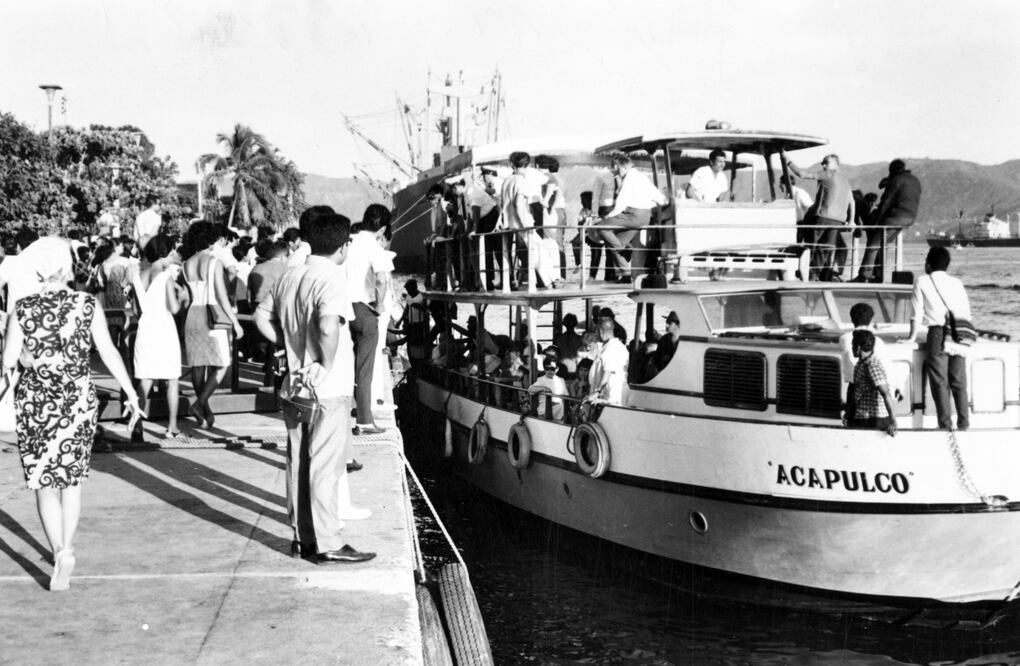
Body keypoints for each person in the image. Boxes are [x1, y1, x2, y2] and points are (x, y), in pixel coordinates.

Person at [2, 237, 143, 590]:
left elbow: (8, 361)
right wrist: (130, 392)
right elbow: (108, 352)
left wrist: (22, 358)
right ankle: (68, 544)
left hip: (36, 403)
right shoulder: (86, 304)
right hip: (78, 401)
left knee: (43, 482)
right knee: (72, 481)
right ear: (67, 267)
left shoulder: (23, 307)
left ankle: (60, 551)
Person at [254, 213, 375, 564]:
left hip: (293, 384)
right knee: (325, 465)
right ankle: (328, 542)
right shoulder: (332, 278)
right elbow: (327, 326)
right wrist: (323, 363)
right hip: (327, 387)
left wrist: (286, 347)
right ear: (342, 246)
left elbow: (262, 316)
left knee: (297, 461)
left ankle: (302, 537)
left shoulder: (289, 274)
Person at [182, 220, 244, 428]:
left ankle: (204, 410)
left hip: (193, 314)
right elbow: (222, 296)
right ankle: (200, 403)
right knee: (222, 364)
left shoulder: (186, 264)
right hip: (212, 315)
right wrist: (235, 322)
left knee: (198, 365)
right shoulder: (214, 262)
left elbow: (187, 295)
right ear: (210, 240)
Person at [905, 246, 970, 431]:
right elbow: (966, 311)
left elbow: (916, 314)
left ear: (928, 263)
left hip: (938, 334)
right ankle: (964, 424)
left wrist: (911, 338)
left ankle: (945, 425)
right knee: (958, 381)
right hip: (959, 331)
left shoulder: (922, 281)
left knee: (939, 381)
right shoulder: (957, 282)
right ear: (947, 265)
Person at [132, 234, 189, 439]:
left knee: (145, 380)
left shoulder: (138, 276)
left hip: (145, 327)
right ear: (165, 252)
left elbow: (138, 309)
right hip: (163, 327)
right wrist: (183, 299)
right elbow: (173, 309)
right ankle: (172, 426)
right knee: (172, 379)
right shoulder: (165, 276)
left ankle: (137, 425)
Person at [345, 207, 394, 435]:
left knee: (344, 365)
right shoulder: (374, 247)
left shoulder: (349, 241)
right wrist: (380, 304)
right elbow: (381, 279)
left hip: (343, 308)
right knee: (364, 369)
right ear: (383, 228)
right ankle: (364, 420)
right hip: (364, 310)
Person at [595, 153, 667, 283]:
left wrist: (609, 216)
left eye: (617, 169)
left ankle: (625, 252)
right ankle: (626, 274)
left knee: (601, 227)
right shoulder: (642, 177)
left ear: (622, 167)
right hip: (645, 216)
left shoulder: (629, 179)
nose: (616, 172)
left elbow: (621, 202)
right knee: (616, 243)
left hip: (633, 215)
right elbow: (660, 198)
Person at [786, 154, 855, 281]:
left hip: (823, 217)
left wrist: (788, 162)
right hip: (838, 221)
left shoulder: (827, 174)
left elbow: (802, 174)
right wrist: (851, 221)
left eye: (826, 162)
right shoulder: (845, 180)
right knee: (825, 249)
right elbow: (852, 202)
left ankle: (804, 273)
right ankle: (815, 275)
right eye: (823, 163)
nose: (823, 165)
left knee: (811, 245)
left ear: (835, 164)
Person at [856, 159, 922, 283]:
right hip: (910, 217)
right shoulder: (914, 180)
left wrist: (876, 221)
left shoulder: (896, 181)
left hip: (895, 217)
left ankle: (863, 276)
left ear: (892, 171)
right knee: (882, 243)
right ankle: (878, 275)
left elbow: (885, 203)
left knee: (873, 244)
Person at [500, 152, 546, 289]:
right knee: (536, 249)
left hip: (508, 223)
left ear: (512, 165)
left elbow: (504, 204)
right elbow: (519, 204)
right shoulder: (521, 180)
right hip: (521, 223)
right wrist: (524, 224)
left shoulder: (506, 181)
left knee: (508, 253)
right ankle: (542, 279)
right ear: (527, 165)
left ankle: (509, 280)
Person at [838, 302, 890, 421]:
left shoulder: (844, 338)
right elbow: (887, 367)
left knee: (852, 420)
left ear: (852, 319)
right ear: (871, 320)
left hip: (854, 386)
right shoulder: (880, 342)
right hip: (876, 387)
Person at [847, 330, 897, 436]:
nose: (851, 348)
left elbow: (885, 393)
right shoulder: (861, 364)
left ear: (858, 347)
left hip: (874, 420)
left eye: (852, 345)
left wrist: (893, 420)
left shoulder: (871, 366)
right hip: (863, 417)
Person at [536, 155, 568, 278]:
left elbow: (547, 197)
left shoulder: (549, 178)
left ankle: (557, 274)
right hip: (561, 210)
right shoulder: (562, 179)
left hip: (552, 211)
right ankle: (561, 273)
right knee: (559, 242)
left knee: (552, 242)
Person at [0, 226, 42, 314]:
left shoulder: (10, 262)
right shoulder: (46, 263)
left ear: (18, 246)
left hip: (16, 318)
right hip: (40, 317)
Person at [589, 318, 628, 403]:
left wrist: (596, 393)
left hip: (611, 394)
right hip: (616, 392)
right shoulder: (619, 346)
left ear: (600, 330)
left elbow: (607, 373)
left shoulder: (610, 348)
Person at [247, 239, 289, 307]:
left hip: (257, 308)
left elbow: (249, 296)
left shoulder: (255, 269)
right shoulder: (286, 270)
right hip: (275, 308)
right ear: (282, 256)